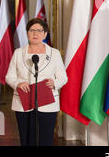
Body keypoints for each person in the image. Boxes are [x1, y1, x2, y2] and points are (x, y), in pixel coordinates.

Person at [5, 18, 68, 146]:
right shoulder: (18, 53)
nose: (35, 34)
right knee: (27, 138)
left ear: (45, 34)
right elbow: (9, 76)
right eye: (32, 30)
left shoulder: (54, 53)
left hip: (47, 102)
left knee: (46, 137)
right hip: (23, 102)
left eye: (39, 31)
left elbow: (63, 77)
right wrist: (18, 84)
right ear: (27, 33)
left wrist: (54, 82)